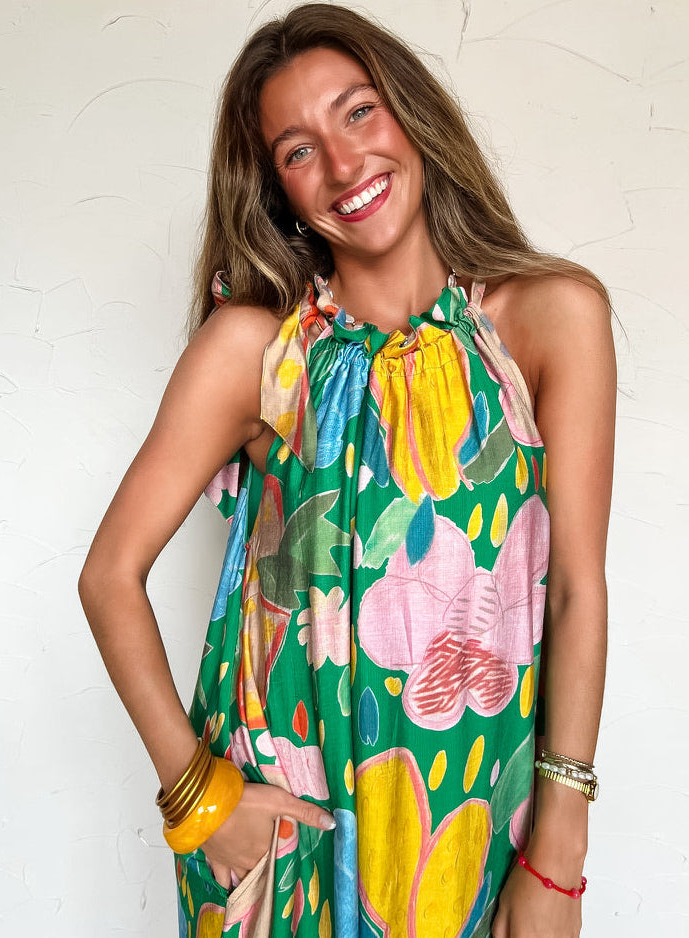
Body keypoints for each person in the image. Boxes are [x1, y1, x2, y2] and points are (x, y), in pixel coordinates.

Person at [79, 4, 615, 937]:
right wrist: (199, 799)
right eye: (297, 149)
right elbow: (108, 575)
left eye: (359, 112)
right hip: (280, 844)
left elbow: (574, 590)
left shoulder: (548, 323)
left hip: (473, 830)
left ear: (410, 114)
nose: (342, 164)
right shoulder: (255, 349)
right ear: (278, 190)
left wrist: (559, 856)